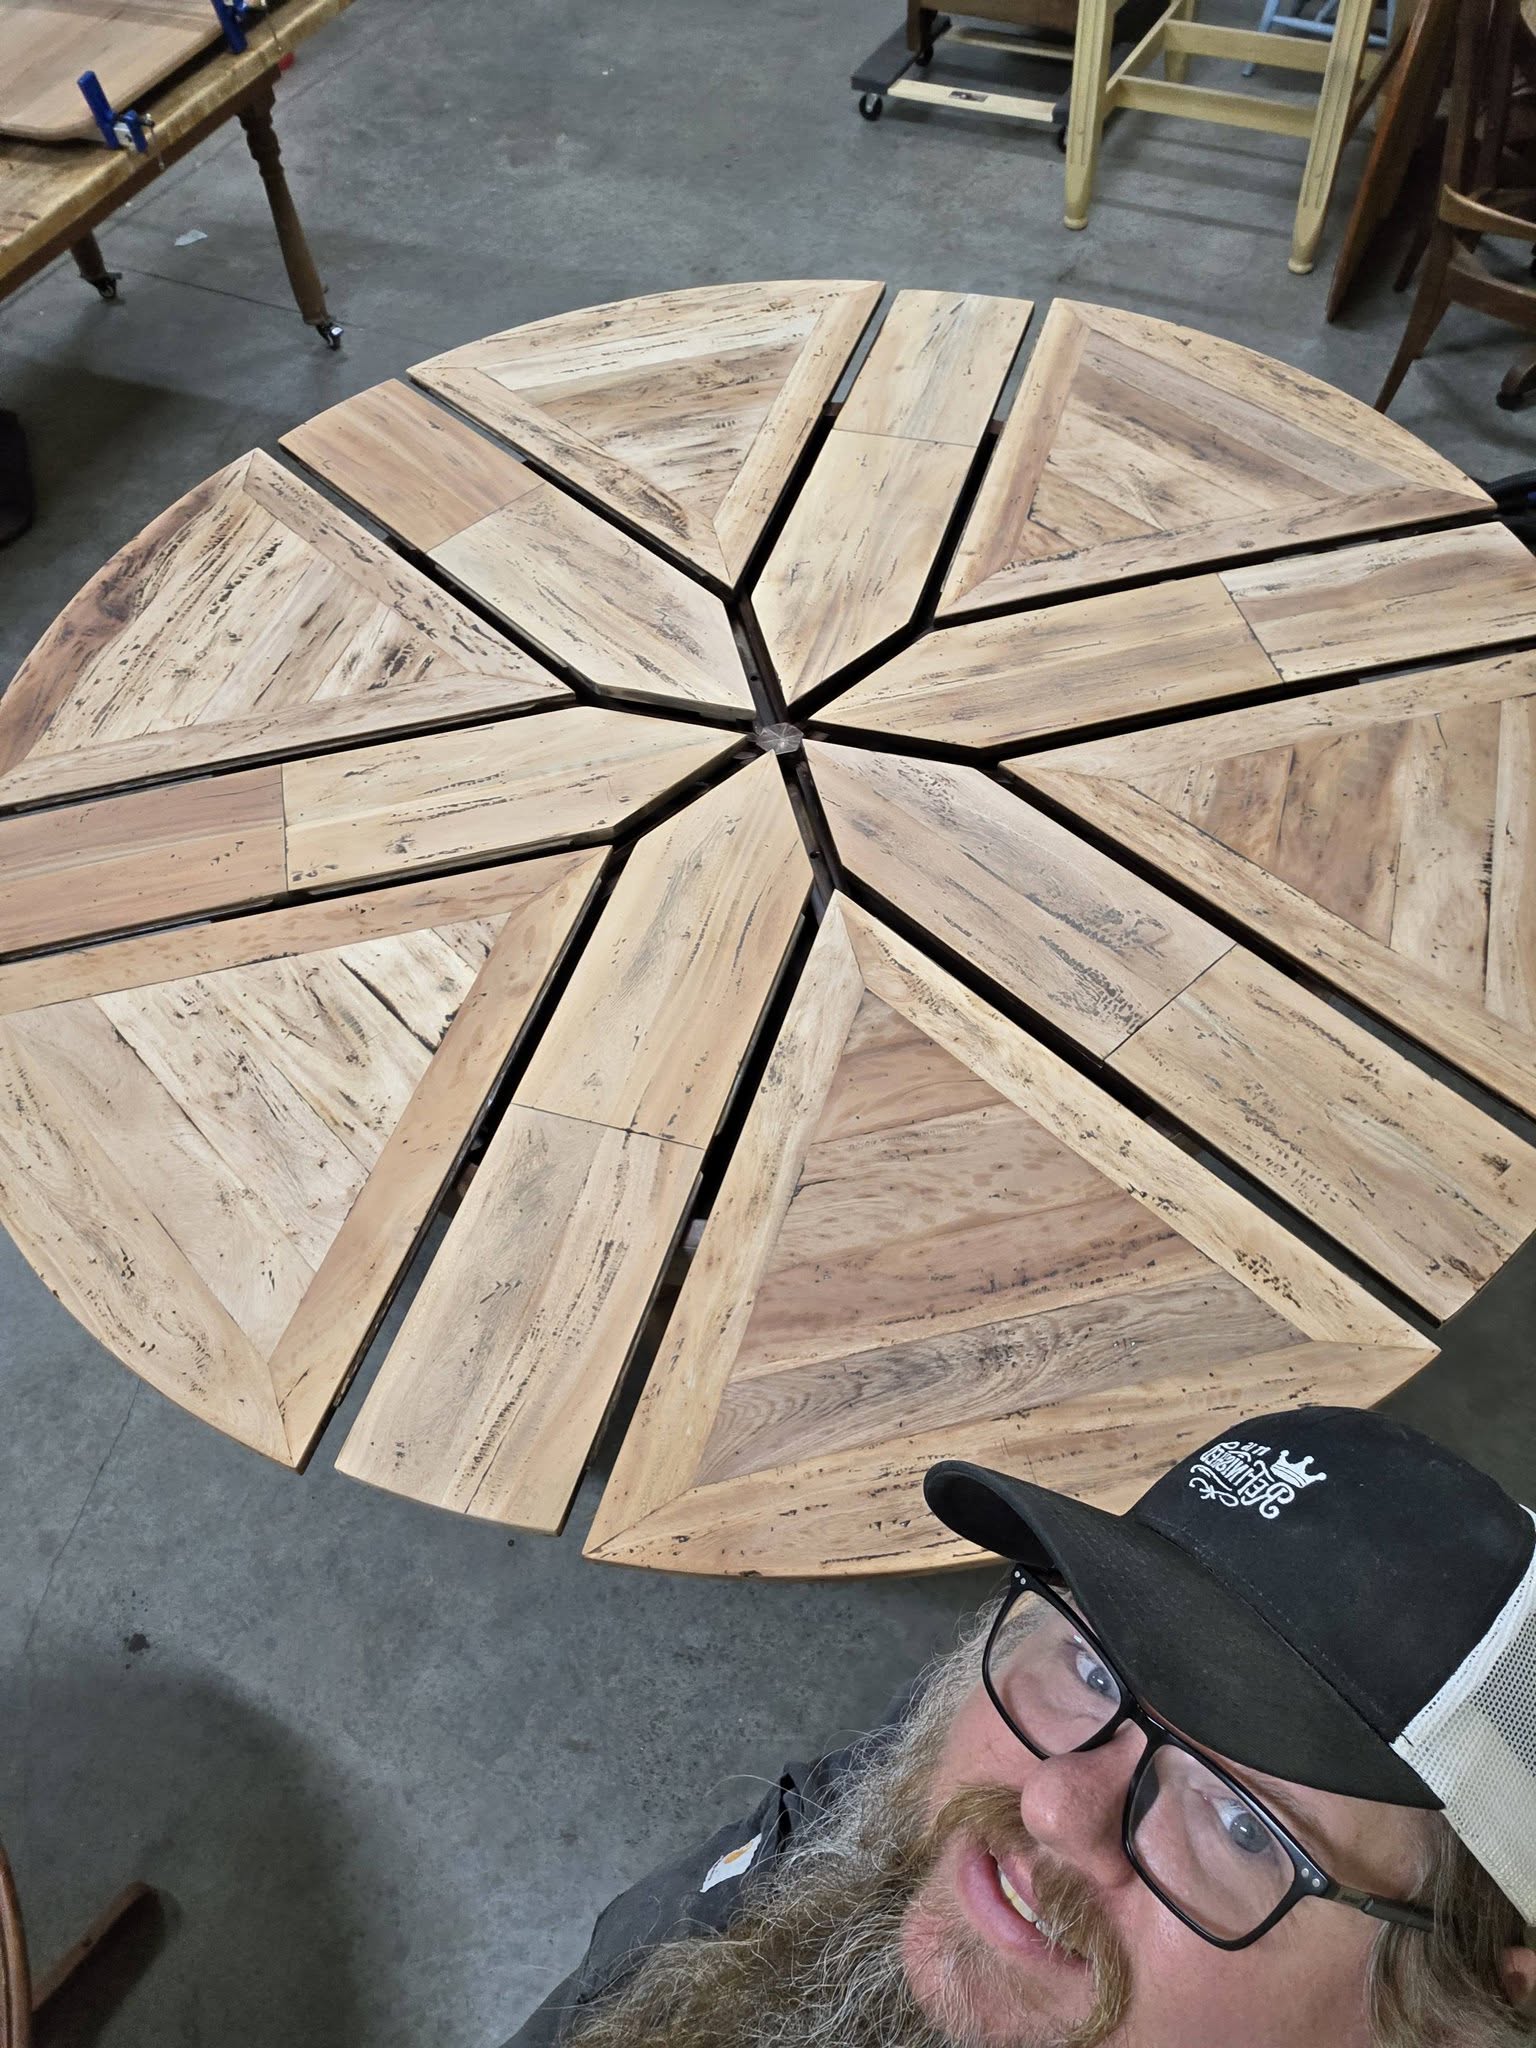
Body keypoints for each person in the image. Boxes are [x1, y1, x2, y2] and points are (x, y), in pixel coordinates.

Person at [504, 1407, 1536, 2047]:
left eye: (1240, 1824)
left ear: (1456, 2024)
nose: (1052, 1802)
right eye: (1095, 1664)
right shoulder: (921, 1790)